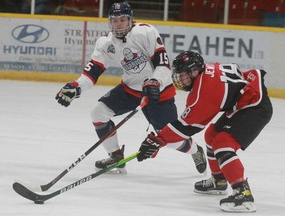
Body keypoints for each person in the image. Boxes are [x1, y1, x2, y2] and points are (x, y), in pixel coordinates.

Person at [55, 2, 207, 175]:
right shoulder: (105, 43)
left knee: (171, 140)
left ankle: (196, 150)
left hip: (159, 92)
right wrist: (77, 87)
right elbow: (92, 72)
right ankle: (116, 156)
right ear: (109, 22)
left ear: (130, 19)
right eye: (115, 20)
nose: (118, 23)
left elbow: (164, 65)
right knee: (98, 112)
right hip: (130, 90)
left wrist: (154, 82)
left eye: (123, 19)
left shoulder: (145, 32)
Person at [136, 51, 273, 212]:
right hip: (243, 101)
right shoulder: (205, 73)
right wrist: (159, 140)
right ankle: (219, 180)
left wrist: (157, 140)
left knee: (223, 144)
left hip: (254, 106)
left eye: (184, 75)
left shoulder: (204, 91)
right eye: (178, 75)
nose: (180, 79)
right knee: (212, 135)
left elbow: (186, 127)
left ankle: (243, 193)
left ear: (194, 72)